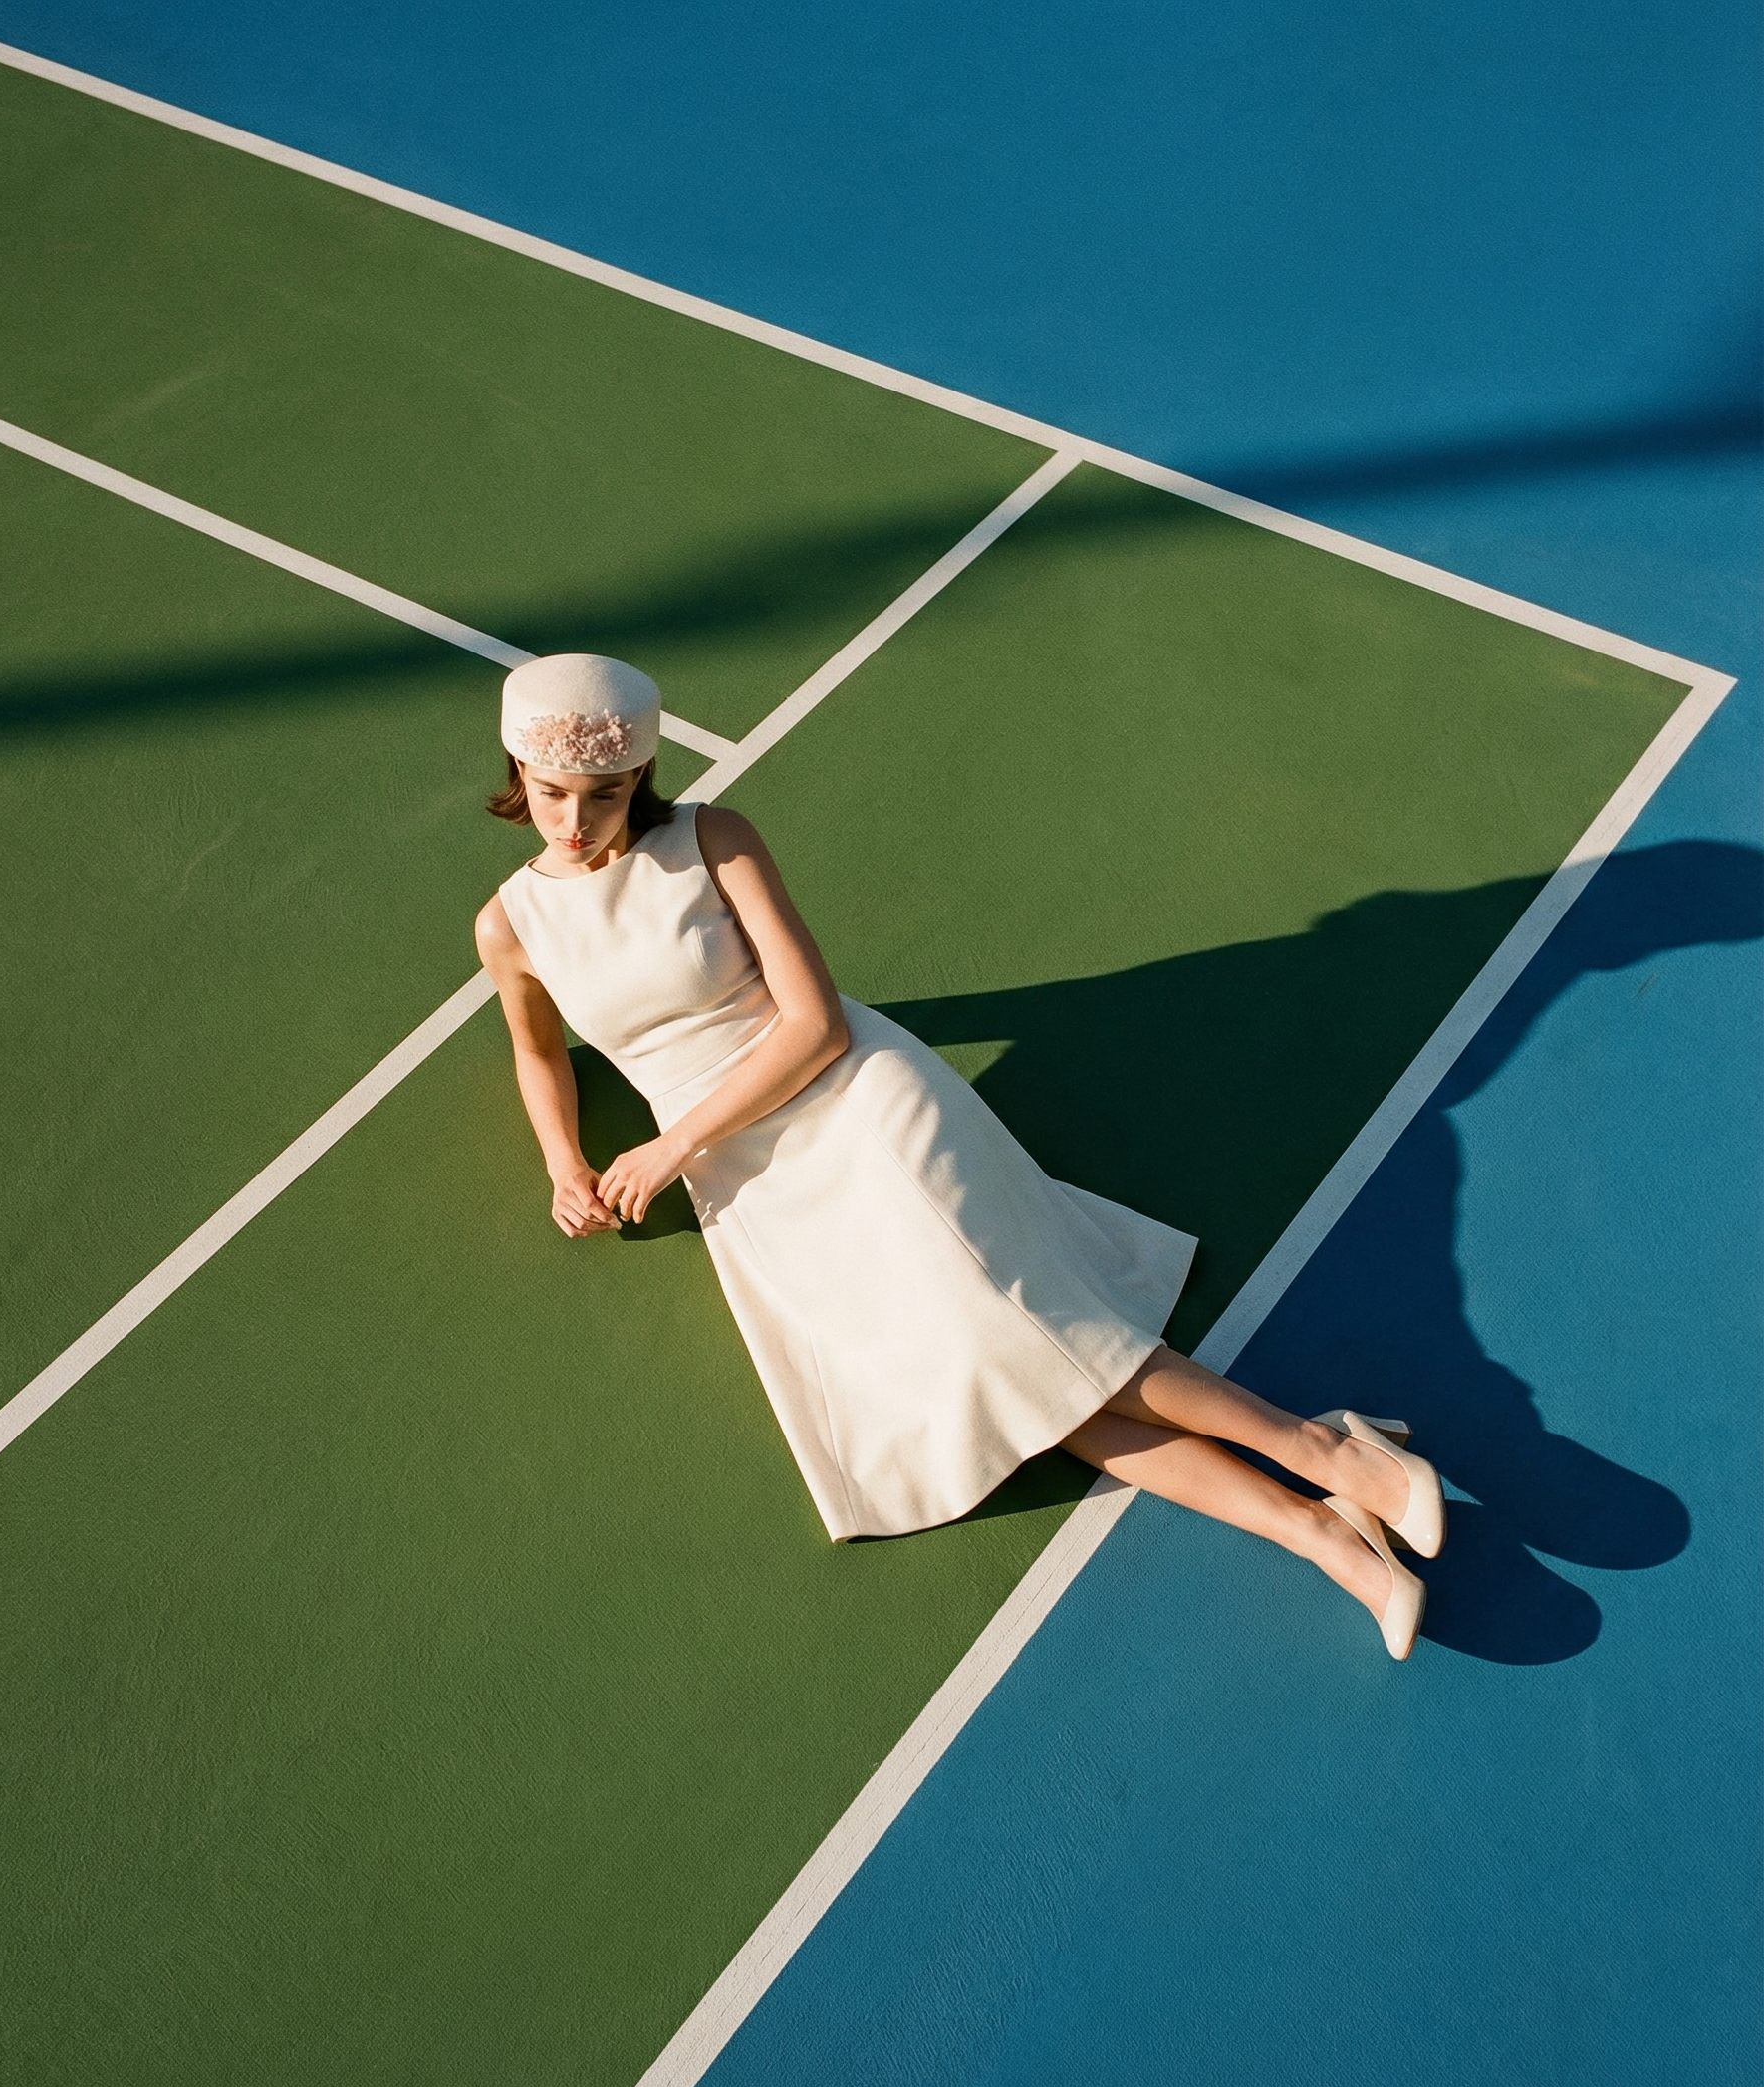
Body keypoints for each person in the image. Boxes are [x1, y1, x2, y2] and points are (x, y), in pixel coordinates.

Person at [474, 655, 1447, 1660]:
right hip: (751, 1185)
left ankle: (1323, 1454)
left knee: (1024, 1334)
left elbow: (814, 1026)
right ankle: (1323, 1534)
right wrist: (563, 1165)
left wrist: (671, 1144)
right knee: (1018, 1383)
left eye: (606, 792)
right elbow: (537, 1049)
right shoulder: (510, 924)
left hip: (855, 1103)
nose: (576, 820)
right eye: (553, 795)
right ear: (517, 770)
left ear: (642, 776)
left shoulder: (711, 839)